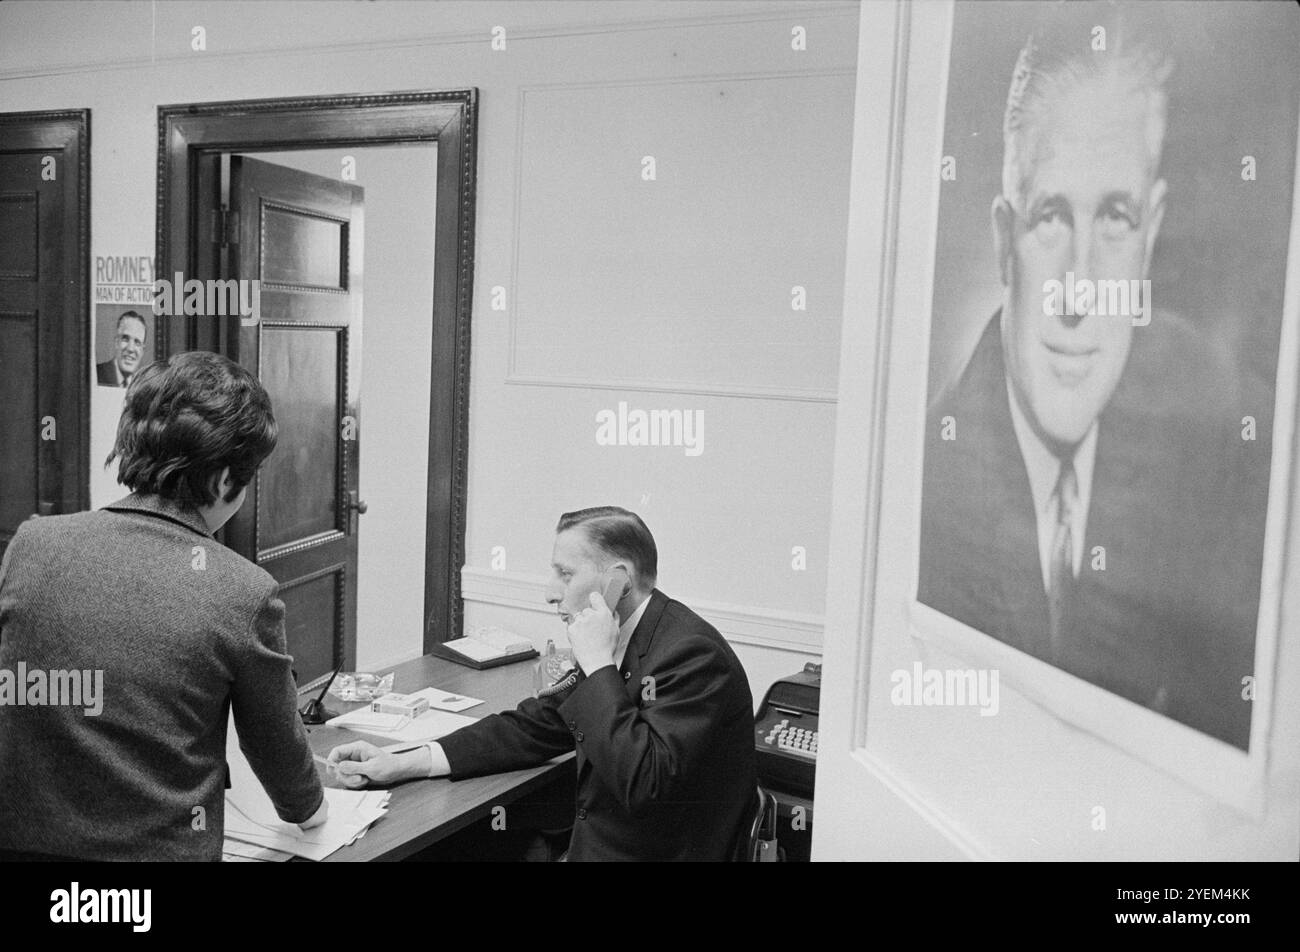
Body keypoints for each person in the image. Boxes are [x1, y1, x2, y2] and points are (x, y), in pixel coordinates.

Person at [918, 10, 1267, 750]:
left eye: (1114, 217)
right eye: (1050, 217)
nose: (1080, 292)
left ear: (1150, 237)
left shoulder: (1222, 438)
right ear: (1004, 243)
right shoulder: (926, 483)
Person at [0, 351, 327, 860]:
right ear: (224, 480)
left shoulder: (32, 543)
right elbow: (277, 755)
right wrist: (313, 808)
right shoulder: (242, 591)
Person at [328, 507, 757, 861]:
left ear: (618, 581)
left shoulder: (693, 656)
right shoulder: (622, 638)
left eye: (565, 574)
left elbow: (644, 784)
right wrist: (404, 761)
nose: (550, 593)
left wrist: (596, 663)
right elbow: (536, 726)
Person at [96, 309, 147, 387]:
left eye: (137, 342)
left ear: (142, 351)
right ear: (116, 342)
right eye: (125, 339)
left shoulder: (144, 386)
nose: (130, 348)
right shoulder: (96, 375)